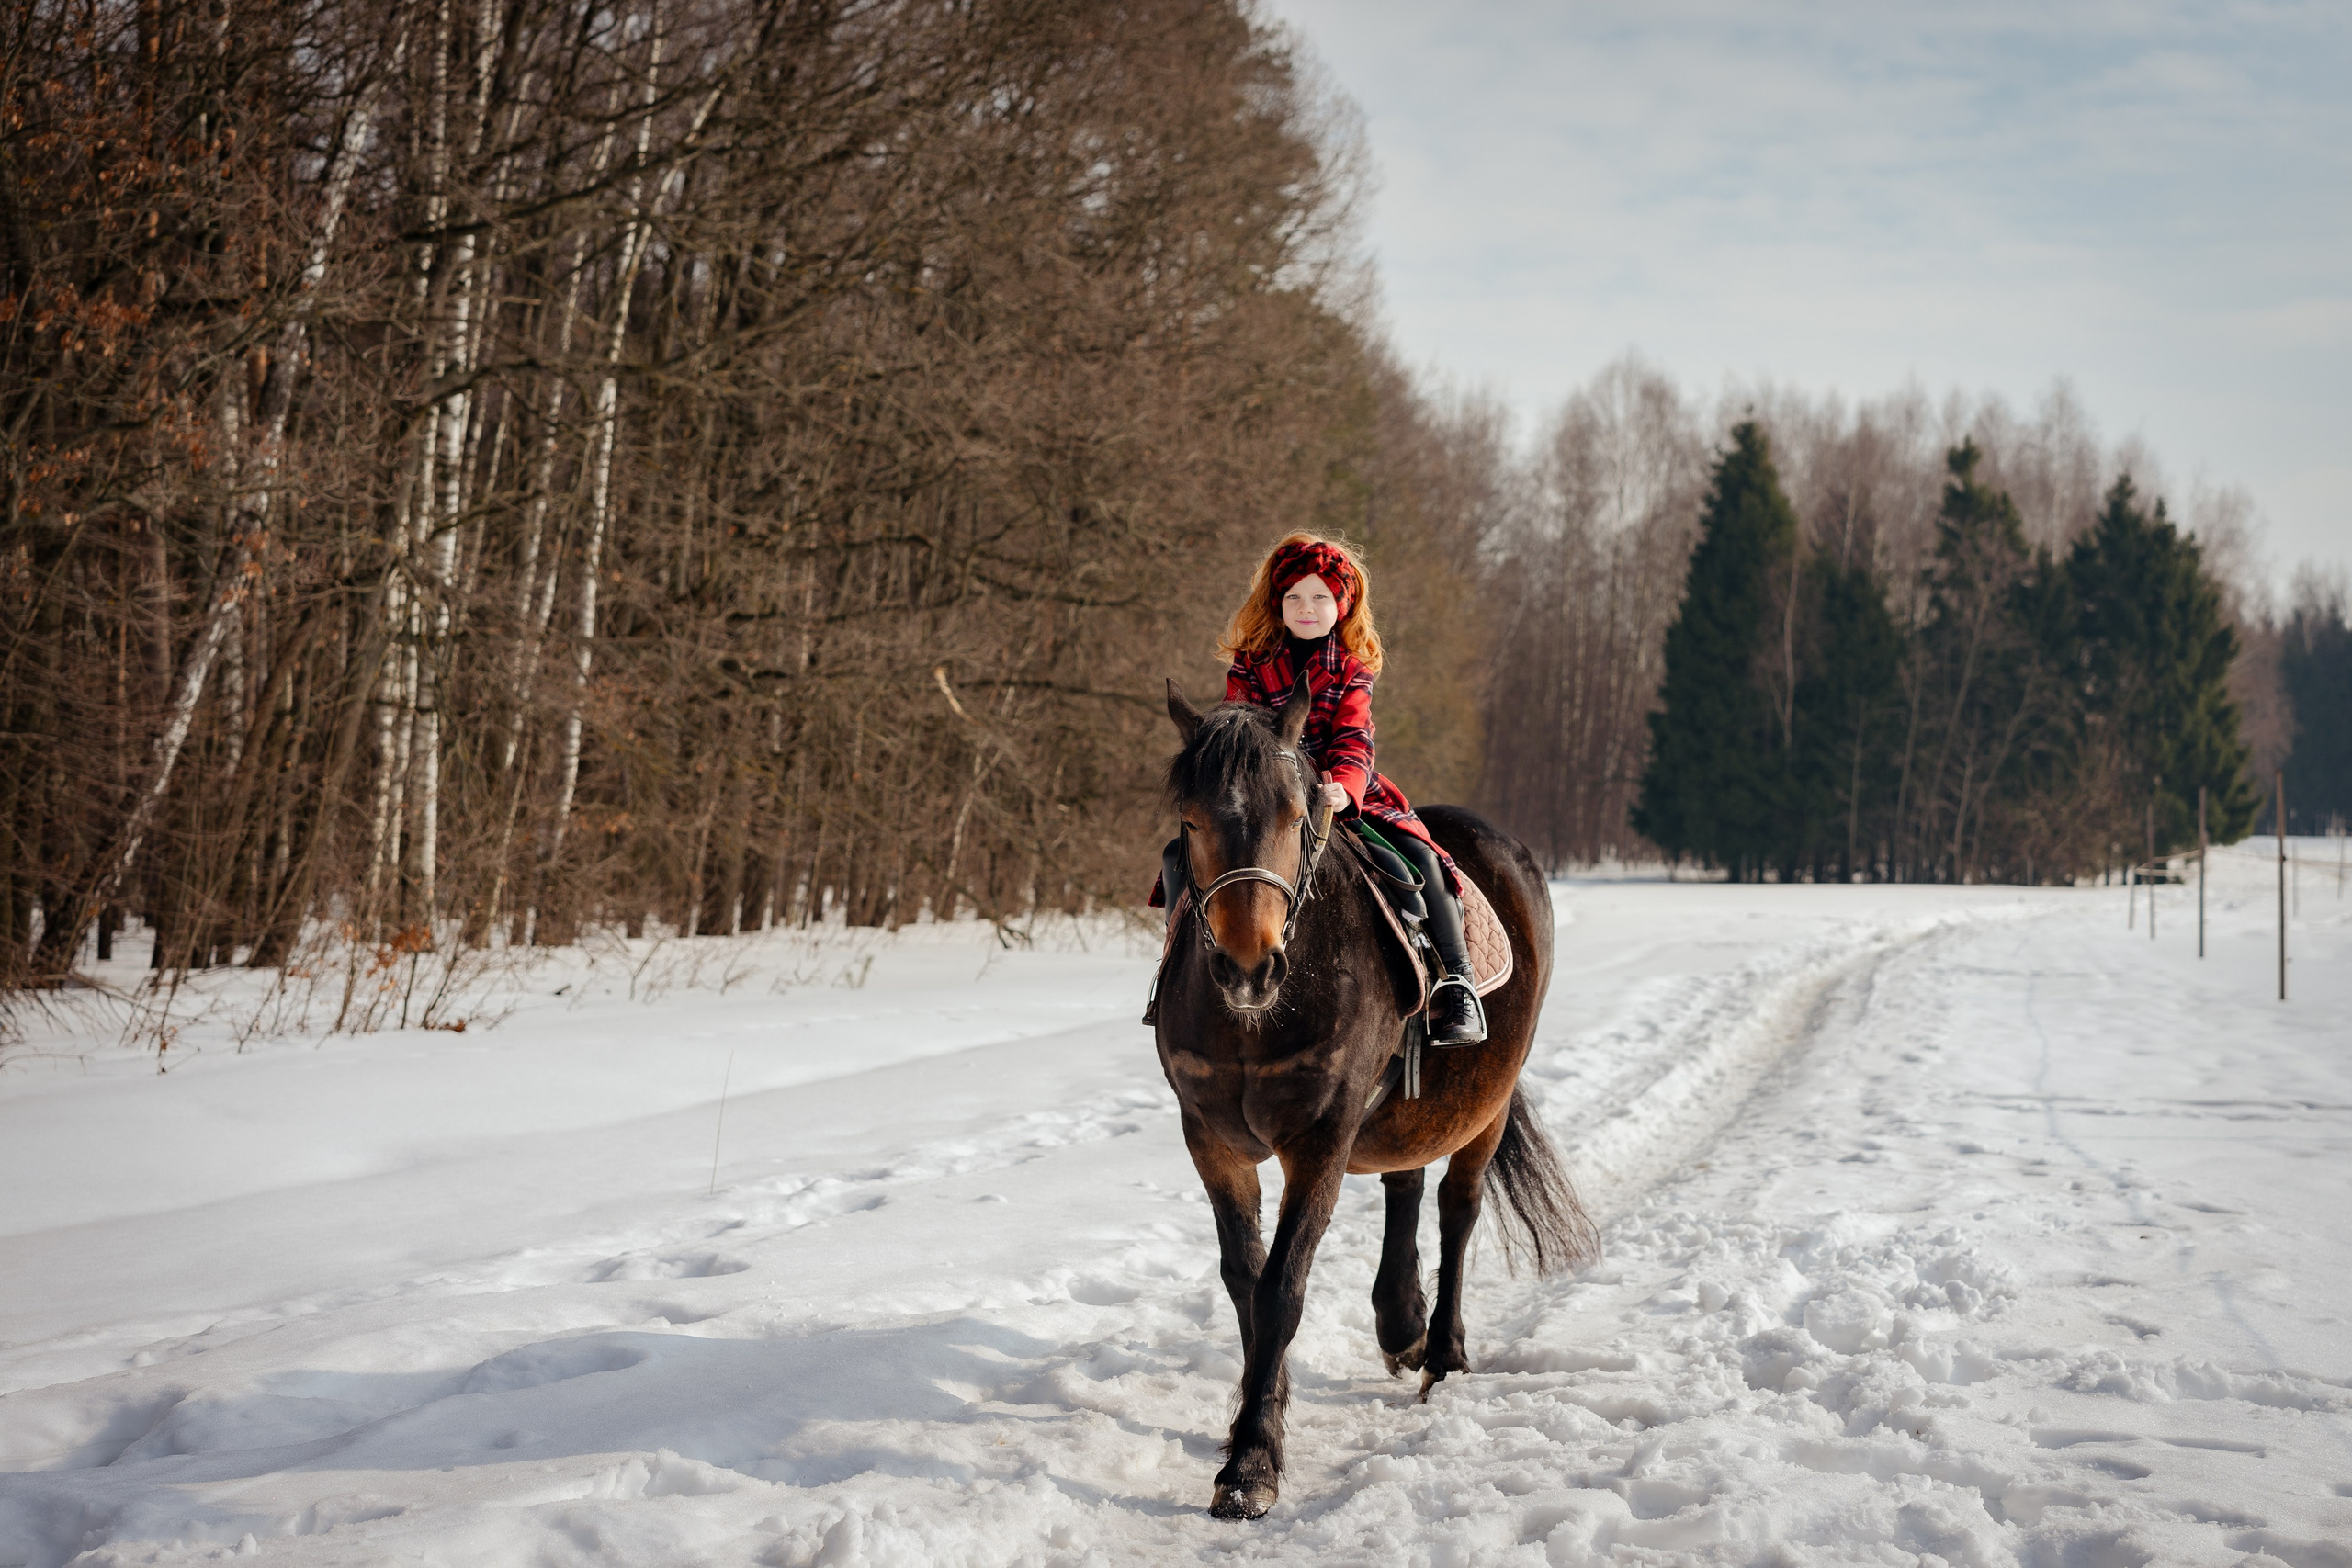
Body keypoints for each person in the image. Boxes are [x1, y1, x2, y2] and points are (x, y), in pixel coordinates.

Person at [1153, 531, 1486, 1046]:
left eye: (1320, 598)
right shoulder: (1251, 664)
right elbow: (1239, 734)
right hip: (1267, 799)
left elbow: (1355, 740)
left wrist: (1344, 789)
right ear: (1276, 603)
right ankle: (1173, 971)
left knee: (1417, 859)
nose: (1306, 608)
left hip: (1341, 792)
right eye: (1294, 598)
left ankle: (1457, 980)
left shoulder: (1351, 669)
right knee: (1179, 856)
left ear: (1343, 605)